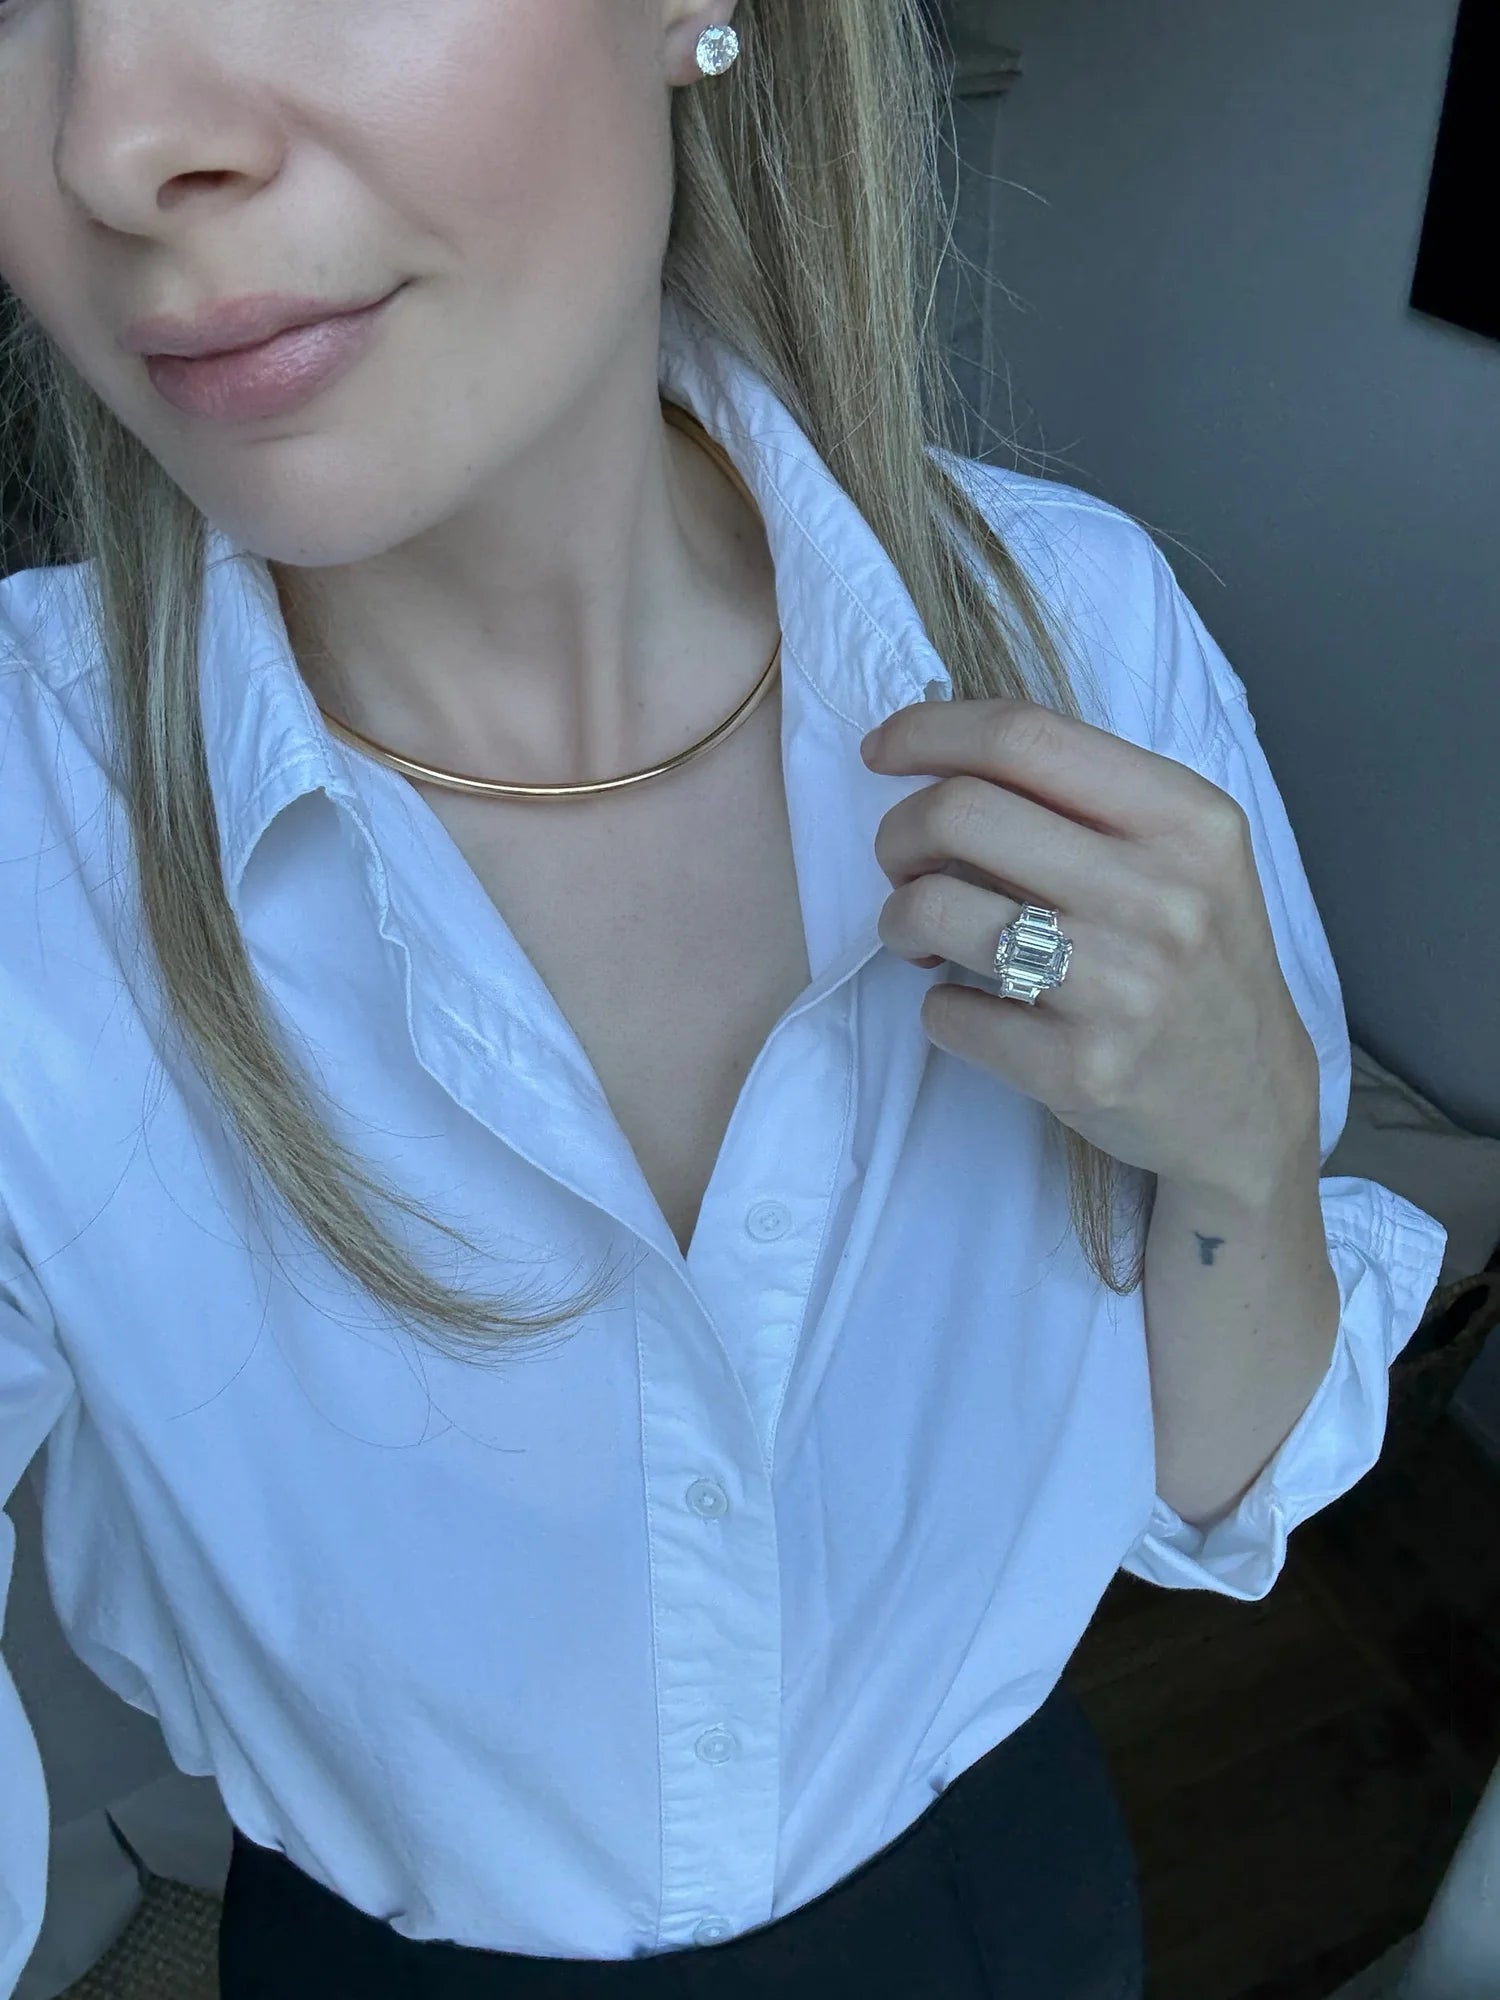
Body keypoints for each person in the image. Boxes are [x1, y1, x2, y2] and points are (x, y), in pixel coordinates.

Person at [0, 3, 1448, 1996]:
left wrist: (1241, 1150)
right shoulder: (30, 824)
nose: (111, 142)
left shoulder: (1081, 633)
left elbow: (1235, 1486)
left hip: (991, 1906)